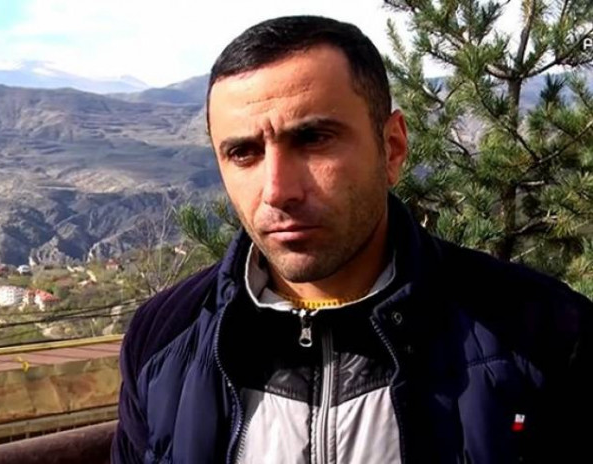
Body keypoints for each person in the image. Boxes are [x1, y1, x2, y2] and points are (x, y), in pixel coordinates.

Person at [111, 15, 593, 464]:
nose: (277, 190)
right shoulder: (163, 341)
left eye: (313, 139)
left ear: (393, 148)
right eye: (243, 153)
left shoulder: (547, 334)